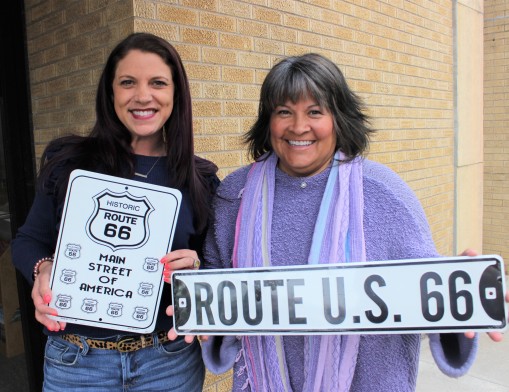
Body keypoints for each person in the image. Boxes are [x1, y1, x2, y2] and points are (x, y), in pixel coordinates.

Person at [193, 53, 508, 391]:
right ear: (268, 121)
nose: (299, 127)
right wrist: (193, 295)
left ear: (339, 118)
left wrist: (461, 294)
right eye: (284, 111)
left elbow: (422, 298)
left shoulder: (385, 193)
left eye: (315, 112)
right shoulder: (235, 195)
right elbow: (218, 295)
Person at [11, 32, 218, 391]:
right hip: (76, 361)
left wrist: (197, 272)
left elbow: (214, 262)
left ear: (175, 94)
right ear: (110, 93)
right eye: (127, 83)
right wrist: (42, 268)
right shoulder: (69, 162)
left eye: (157, 83)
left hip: (167, 363)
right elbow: (29, 239)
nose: (142, 96)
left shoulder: (200, 178)